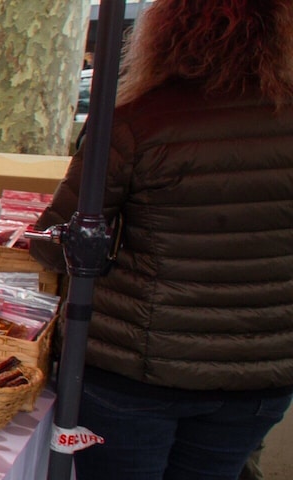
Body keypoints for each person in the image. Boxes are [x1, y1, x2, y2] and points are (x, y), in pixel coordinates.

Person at [26, 1, 293, 479]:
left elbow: (57, 241)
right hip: (258, 372)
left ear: (166, 34)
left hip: (135, 374)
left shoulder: (134, 122)